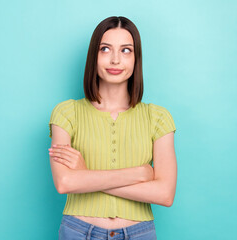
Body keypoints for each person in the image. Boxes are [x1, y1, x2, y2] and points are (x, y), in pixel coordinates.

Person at [48, 16, 177, 240]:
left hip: (139, 234)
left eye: (126, 50)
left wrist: (85, 176)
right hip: (78, 232)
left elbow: (165, 194)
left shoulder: (158, 117)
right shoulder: (66, 113)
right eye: (105, 49)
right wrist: (138, 174)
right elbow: (65, 182)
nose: (115, 59)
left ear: (136, 59)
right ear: (93, 56)